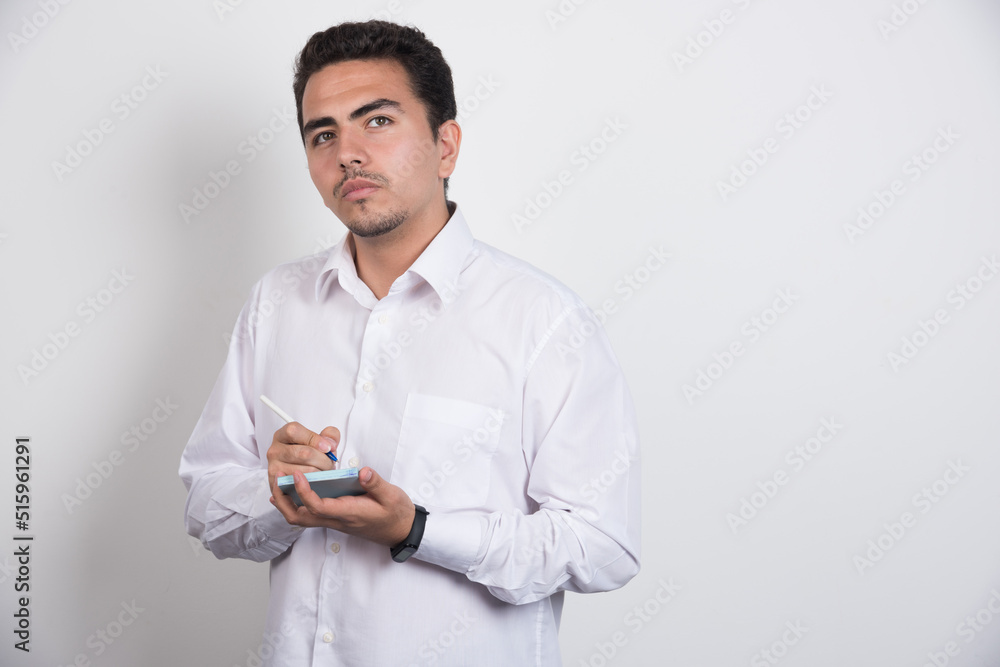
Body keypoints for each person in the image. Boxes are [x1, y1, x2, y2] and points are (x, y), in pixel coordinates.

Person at [179, 19, 641, 666]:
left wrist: (418, 529)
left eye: (377, 121)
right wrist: (280, 492)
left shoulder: (543, 322)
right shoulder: (276, 304)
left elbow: (602, 545)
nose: (346, 153)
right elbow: (206, 504)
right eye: (323, 133)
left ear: (446, 146)